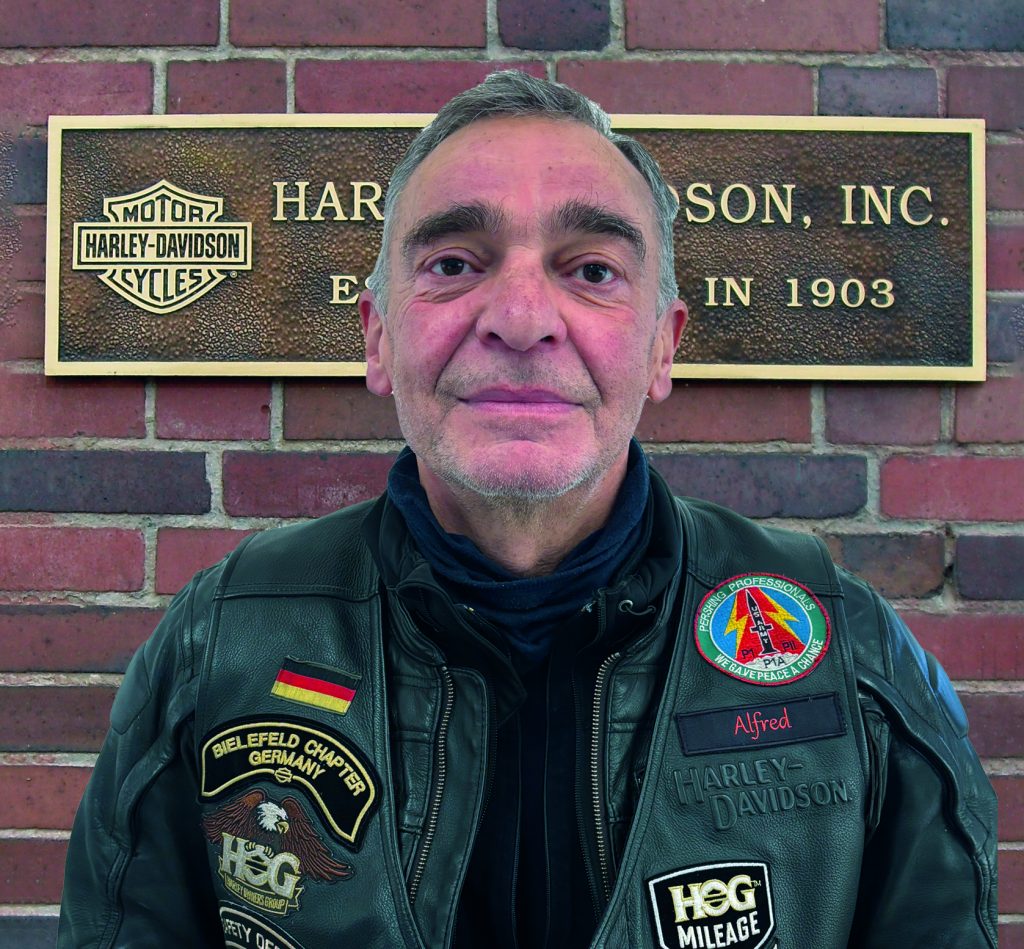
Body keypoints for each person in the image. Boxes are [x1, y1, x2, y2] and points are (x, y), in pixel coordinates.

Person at [58, 71, 997, 949]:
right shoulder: (220, 644)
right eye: (453, 262)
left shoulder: (849, 659)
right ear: (378, 338)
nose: (520, 317)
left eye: (591, 270)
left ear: (662, 348)